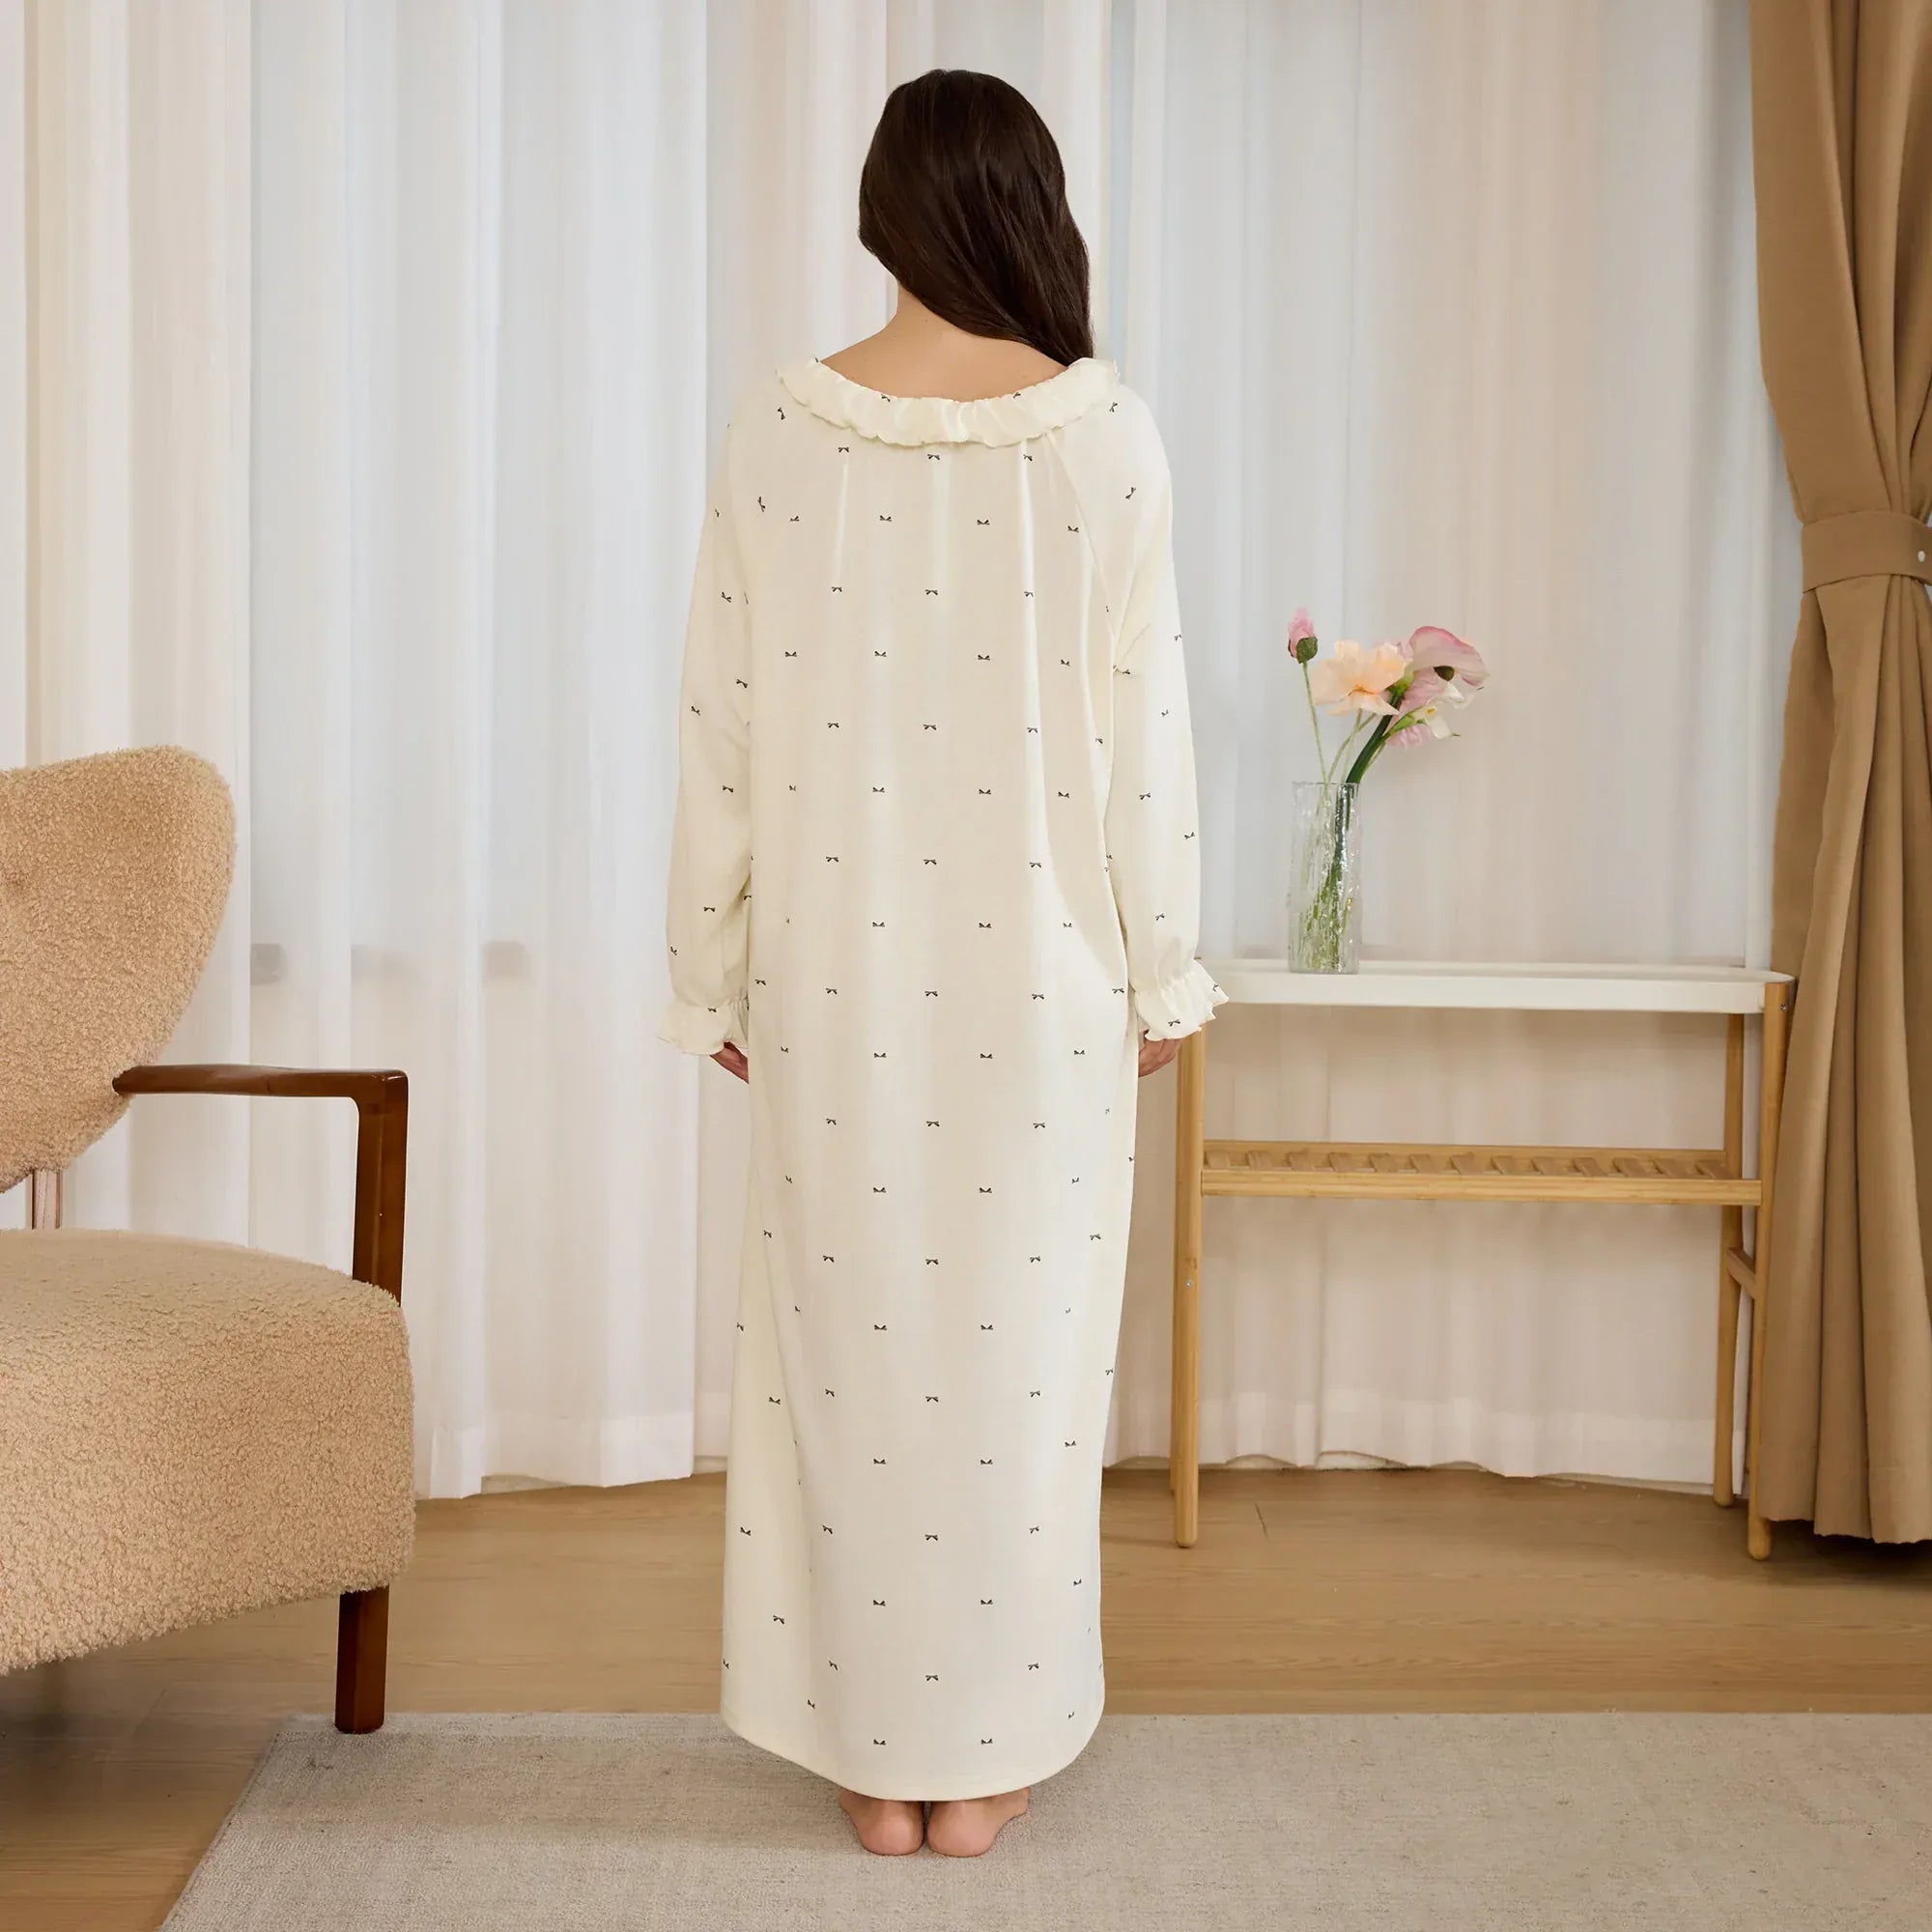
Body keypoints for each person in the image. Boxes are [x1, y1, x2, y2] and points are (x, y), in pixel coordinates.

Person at [659, 67, 1223, 1860]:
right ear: (1033, 209)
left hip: (836, 988)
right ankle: (981, 1759)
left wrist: (711, 967)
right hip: (1048, 995)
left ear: (878, 213)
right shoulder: (1107, 436)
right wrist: (1164, 973)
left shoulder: (779, 430)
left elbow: (720, 730)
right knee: (1018, 1389)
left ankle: (875, 1755)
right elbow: (1150, 748)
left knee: (849, 1369)